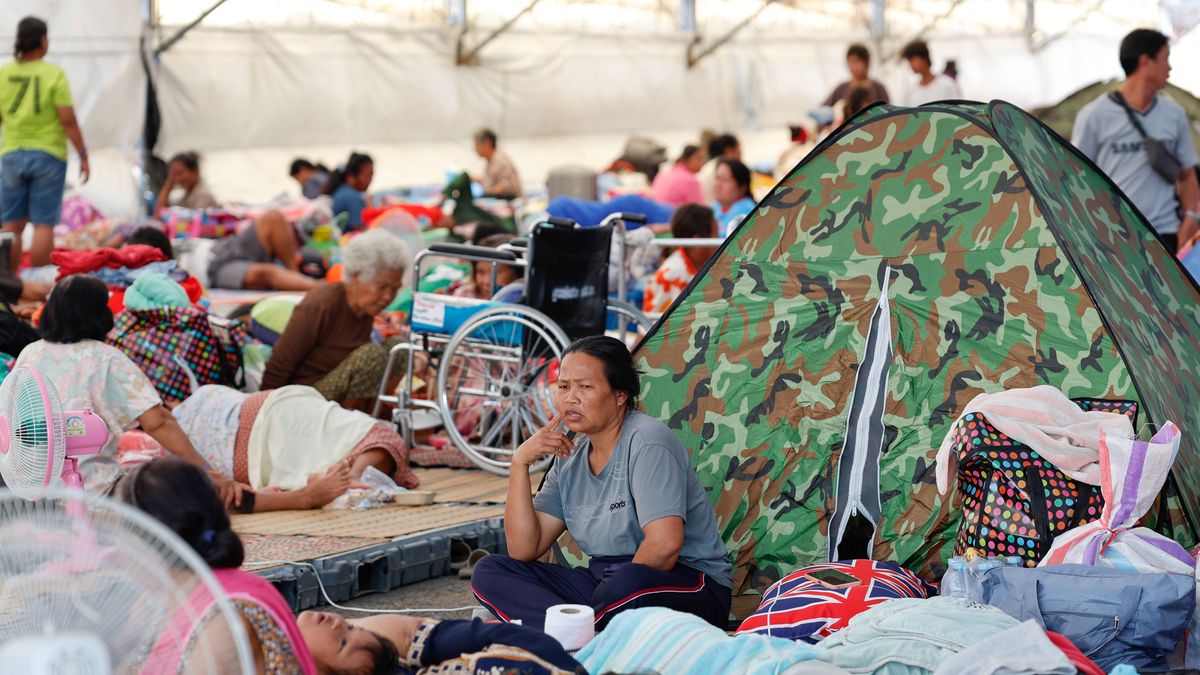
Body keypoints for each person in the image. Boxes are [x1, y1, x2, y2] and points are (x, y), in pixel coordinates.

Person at [471, 336, 732, 631]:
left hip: (685, 583)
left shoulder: (648, 441)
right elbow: (524, 549)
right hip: (605, 586)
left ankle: (566, 630)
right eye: (564, 386)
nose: (571, 398)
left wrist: (606, 596)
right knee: (490, 571)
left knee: (625, 580)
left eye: (585, 387)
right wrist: (519, 464)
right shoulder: (569, 457)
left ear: (620, 396)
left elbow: (664, 546)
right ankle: (581, 634)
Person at [113, 458, 398, 675]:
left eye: (120, 533)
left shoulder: (224, 623)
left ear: (154, 540)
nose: (111, 549)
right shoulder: (160, 601)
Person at [14, 275, 242, 506]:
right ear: (98, 314)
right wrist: (204, 470)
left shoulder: (31, 353)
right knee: (183, 488)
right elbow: (158, 422)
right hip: (93, 492)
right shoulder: (105, 357)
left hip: (29, 490)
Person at [171, 384, 419, 512]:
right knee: (382, 435)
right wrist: (306, 497)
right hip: (262, 428)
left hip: (274, 407)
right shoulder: (151, 464)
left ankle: (353, 478)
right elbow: (229, 501)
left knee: (383, 435)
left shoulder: (167, 420)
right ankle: (350, 479)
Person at [1073, 28, 1200, 252]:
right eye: (1165, 59)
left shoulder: (1174, 113)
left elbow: (1188, 174)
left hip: (1165, 235)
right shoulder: (1094, 116)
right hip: (1113, 237)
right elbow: (1074, 176)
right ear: (1145, 62)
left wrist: (1189, 218)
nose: (1169, 67)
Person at [262, 229, 407, 408]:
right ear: (356, 276)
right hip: (305, 397)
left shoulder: (365, 307)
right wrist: (263, 409)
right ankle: (351, 426)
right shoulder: (323, 303)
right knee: (370, 356)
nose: (388, 297)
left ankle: (373, 413)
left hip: (337, 394)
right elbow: (280, 363)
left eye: (394, 289)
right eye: (382, 287)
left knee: (400, 349)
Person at [0, 17, 89, 271]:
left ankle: (7, 286)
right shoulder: (53, 73)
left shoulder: (3, 73)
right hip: (48, 155)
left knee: (11, 224)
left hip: (11, 154)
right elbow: (68, 120)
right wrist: (83, 154)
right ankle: (37, 284)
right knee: (43, 224)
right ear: (42, 40)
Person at [207, 209, 321, 291]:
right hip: (212, 267)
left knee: (273, 217)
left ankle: (296, 276)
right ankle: (318, 286)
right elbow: (265, 274)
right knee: (265, 273)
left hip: (224, 246)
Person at [643, 205, 718, 314]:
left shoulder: (704, 268)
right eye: (715, 232)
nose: (719, 239)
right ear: (697, 241)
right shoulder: (671, 274)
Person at [823, 43, 889, 110]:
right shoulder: (842, 88)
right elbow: (824, 109)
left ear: (867, 62)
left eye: (857, 61)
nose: (854, 67)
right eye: (851, 62)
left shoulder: (878, 88)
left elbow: (888, 114)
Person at [155, 151, 219, 216]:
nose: (177, 179)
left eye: (180, 173)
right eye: (173, 175)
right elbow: (160, 213)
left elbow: (195, 221)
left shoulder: (204, 195)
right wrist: (168, 184)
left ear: (194, 172)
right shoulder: (187, 195)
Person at [900, 40, 960, 106]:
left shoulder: (947, 84)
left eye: (912, 60)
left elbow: (958, 110)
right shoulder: (911, 91)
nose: (910, 64)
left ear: (923, 58)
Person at [326, 152, 374, 232]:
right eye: (367, 175)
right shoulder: (353, 198)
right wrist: (371, 208)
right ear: (351, 175)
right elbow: (363, 231)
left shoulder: (341, 191)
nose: (370, 180)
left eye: (371, 175)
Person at [711, 158, 755, 237]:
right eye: (717, 178)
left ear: (742, 187)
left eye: (725, 180)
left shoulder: (747, 211)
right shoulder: (714, 207)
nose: (718, 184)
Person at [475, 128, 522, 198]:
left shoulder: (499, 161)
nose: (475, 149)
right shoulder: (491, 160)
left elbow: (508, 187)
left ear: (488, 143)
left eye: (476, 145)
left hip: (508, 201)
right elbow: (490, 181)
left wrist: (490, 192)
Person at [698, 133, 741, 203]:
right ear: (729, 151)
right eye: (739, 147)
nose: (741, 152)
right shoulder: (726, 167)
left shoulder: (709, 165)